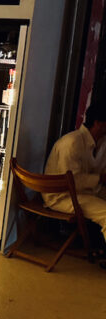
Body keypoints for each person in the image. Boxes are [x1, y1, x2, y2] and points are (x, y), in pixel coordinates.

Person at [44, 100, 106, 254]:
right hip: (62, 195)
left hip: (84, 190)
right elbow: (72, 181)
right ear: (98, 123)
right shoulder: (72, 142)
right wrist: (100, 179)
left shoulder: (101, 142)